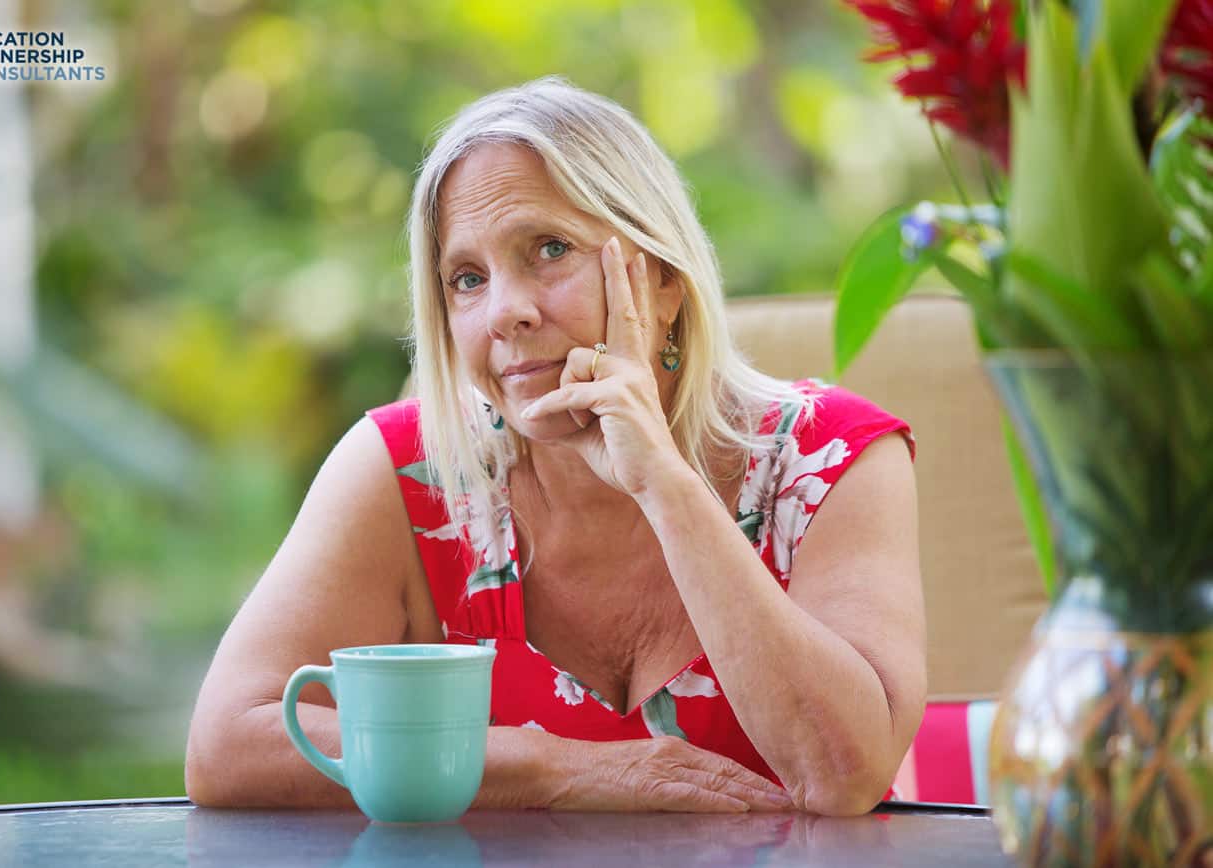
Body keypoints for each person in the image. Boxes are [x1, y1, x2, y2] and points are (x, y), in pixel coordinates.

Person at [185, 76, 925, 817]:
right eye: (466, 279)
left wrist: (664, 484)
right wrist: (553, 768)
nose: (505, 311)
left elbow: (842, 778)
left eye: (548, 249)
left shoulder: (833, 460)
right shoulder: (407, 470)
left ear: (663, 279)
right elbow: (227, 744)